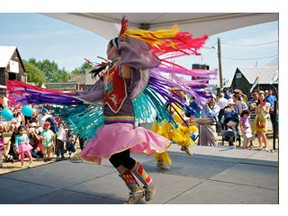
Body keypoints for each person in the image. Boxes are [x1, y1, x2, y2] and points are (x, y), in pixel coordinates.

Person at [6, 18, 214, 204]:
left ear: (116, 48)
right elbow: (94, 93)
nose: (107, 50)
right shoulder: (107, 72)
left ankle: (145, 185)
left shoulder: (125, 66)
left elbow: (137, 65)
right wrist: (69, 97)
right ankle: (139, 188)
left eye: (109, 47)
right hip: (109, 120)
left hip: (123, 119)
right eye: (108, 48)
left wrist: (124, 44)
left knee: (120, 157)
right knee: (116, 159)